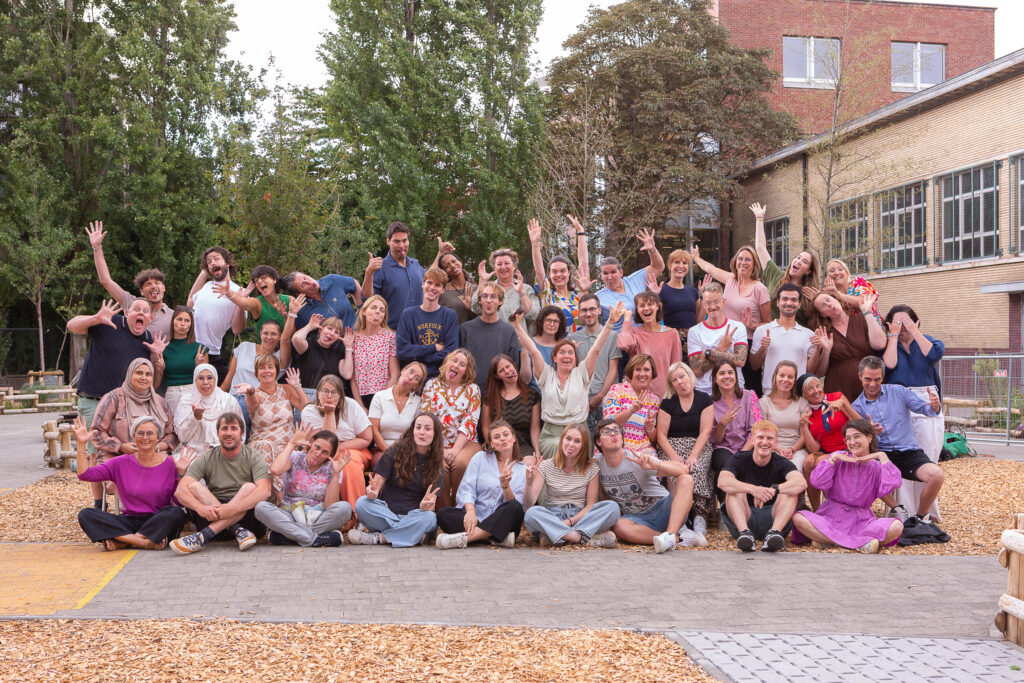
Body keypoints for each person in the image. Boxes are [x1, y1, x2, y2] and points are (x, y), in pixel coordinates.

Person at [513, 302, 625, 459]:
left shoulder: (582, 373)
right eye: (562, 352)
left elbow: (596, 349)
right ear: (554, 358)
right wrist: (517, 326)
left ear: (575, 357)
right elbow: (533, 350)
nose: (567, 355)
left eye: (571, 352)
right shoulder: (546, 374)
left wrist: (610, 323)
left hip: (578, 430)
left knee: (576, 451)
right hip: (551, 433)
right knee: (556, 449)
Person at [852, 356, 946, 527]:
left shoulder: (898, 391)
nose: (872, 384)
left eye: (877, 379)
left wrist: (934, 406)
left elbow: (925, 409)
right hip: (881, 454)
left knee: (937, 475)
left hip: (909, 452)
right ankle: (898, 510)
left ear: (883, 377)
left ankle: (920, 517)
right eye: (868, 379)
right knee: (868, 471)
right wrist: (869, 433)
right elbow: (855, 440)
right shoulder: (856, 407)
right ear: (859, 376)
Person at [67, 299, 168, 451]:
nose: (141, 313)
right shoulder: (109, 322)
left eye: (145, 311)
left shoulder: (148, 340)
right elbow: (71, 325)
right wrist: (96, 318)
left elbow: (152, 385)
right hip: (94, 401)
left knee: (123, 453)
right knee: (95, 453)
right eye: (136, 309)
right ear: (127, 313)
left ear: (150, 318)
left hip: (123, 407)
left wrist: (155, 357)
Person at [75, 416, 188, 550]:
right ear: (133, 437)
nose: (145, 437)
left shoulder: (170, 464)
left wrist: (181, 473)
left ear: (158, 437)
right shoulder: (120, 462)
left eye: (150, 433)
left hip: (157, 520)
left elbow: (179, 502)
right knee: (86, 514)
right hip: (128, 520)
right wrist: (81, 444)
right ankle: (143, 542)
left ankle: (124, 541)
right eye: (140, 433)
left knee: (176, 513)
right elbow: (85, 474)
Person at [792, 419, 904, 552]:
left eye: (856, 437)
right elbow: (817, 482)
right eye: (848, 438)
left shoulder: (877, 467)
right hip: (830, 517)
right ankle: (859, 544)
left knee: (897, 526)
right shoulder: (838, 458)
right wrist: (833, 459)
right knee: (798, 518)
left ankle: (827, 540)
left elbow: (893, 483)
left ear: (869, 437)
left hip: (862, 522)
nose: (852, 442)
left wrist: (882, 456)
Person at [593, 418, 703, 552]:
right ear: (598, 442)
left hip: (665, 509)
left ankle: (671, 533)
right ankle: (674, 539)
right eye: (606, 431)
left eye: (617, 430)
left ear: (622, 437)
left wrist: (656, 465)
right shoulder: (597, 464)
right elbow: (604, 494)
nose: (613, 434)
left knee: (686, 479)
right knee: (620, 526)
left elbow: (684, 470)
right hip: (639, 520)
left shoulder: (636, 459)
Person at [171, 413, 272, 554]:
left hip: (248, 521)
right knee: (193, 486)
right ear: (218, 433)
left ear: (242, 434)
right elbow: (180, 491)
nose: (228, 433)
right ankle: (236, 529)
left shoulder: (253, 456)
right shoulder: (207, 457)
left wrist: (232, 509)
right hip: (212, 516)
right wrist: (200, 508)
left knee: (249, 487)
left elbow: (265, 490)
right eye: (224, 428)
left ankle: (202, 537)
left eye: (233, 428)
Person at [882, 304, 946, 521]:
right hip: (898, 402)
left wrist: (914, 331)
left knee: (928, 457)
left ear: (917, 321)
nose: (903, 327)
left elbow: (934, 355)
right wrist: (893, 335)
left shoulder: (928, 341)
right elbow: (888, 366)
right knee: (903, 457)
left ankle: (925, 510)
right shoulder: (888, 346)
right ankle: (904, 511)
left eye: (907, 321)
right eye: (897, 322)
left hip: (927, 399)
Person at [90, 359, 178, 508]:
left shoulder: (160, 402)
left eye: (148, 374)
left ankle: (163, 514)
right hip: (117, 456)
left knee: (172, 477)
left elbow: (173, 435)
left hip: (153, 455)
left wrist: (157, 447)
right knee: (124, 482)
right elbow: (96, 432)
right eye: (139, 373)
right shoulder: (113, 398)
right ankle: (134, 514)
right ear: (130, 374)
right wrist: (121, 446)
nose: (144, 378)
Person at [349, 412, 444, 547]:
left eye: (427, 429)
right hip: (386, 514)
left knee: (429, 518)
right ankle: (410, 534)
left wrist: (425, 506)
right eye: (418, 428)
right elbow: (376, 485)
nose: (422, 432)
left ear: (435, 434)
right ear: (412, 431)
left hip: (413, 516)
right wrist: (372, 492)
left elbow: (431, 503)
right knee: (361, 503)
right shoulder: (394, 452)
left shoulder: (437, 465)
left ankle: (379, 538)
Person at [254, 425, 352, 547]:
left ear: (330, 455)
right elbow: (275, 470)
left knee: (345, 508)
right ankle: (315, 539)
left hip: (317, 517)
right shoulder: (295, 457)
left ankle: (292, 536)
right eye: (317, 447)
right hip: (290, 514)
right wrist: (292, 443)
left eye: (324, 452)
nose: (318, 454)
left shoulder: (333, 469)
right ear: (310, 444)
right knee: (261, 507)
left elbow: (329, 506)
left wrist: (336, 474)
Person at [523, 423, 619, 547]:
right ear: (562, 440)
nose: (571, 444)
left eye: (577, 441)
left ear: (583, 446)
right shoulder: (546, 465)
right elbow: (528, 503)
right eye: (568, 439)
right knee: (531, 513)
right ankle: (581, 538)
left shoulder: (591, 467)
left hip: (581, 517)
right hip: (554, 517)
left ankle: (556, 537)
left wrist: (569, 522)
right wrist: (529, 482)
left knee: (612, 507)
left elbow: (590, 505)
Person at [435, 420, 526, 549]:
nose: (502, 439)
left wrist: (505, 486)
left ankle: (465, 539)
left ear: (514, 438)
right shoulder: (480, 458)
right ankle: (494, 538)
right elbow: (467, 488)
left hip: (503, 521)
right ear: (491, 444)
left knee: (514, 506)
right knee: (443, 514)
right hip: (475, 518)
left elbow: (516, 506)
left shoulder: (522, 469)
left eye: (506, 434)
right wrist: (470, 511)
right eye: (496, 437)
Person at [691, 243, 770, 391]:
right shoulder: (730, 279)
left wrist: (752, 325)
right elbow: (711, 269)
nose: (743, 262)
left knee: (746, 386)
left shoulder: (760, 289)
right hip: (725, 340)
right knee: (723, 382)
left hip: (748, 343)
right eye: (740, 259)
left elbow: (768, 323)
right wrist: (696, 258)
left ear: (754, 264)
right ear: (735, 261)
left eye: (748, 259)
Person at [718, 420, 807, 552]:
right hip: (745, 516)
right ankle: (745, 534)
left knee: (789, 491)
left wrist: (774, 490)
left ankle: (773, 533)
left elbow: (801, 483)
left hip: (773, 518)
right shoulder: (739, 458)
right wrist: (753, 489)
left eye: (770, 438)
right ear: (752, 440)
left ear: (776, 443)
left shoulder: (781, 462)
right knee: (734, 489)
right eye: (760, 437)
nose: (765, 442)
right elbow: (722, 481)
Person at [235, 354, 309, 502]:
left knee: (286, 454)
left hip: (287, 446)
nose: (267, 371)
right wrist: (250, 391)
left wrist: (297, 386)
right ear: (257, 373)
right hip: (261, 446)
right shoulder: (255, 395)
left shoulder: (286, 389)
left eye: (270, 367)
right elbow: (252, 404)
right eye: (262, 368)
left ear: (276, 371)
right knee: (268, 446)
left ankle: (280, 501)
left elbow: (307, 410)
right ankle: (281, 500)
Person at [655, 362, 715, 538]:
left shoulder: (704, 399)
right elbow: (661, 435)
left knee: (697, 469)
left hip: (698, 445)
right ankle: (680, 518)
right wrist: (674, 456)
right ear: (671, 384)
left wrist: (693, 455)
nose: (680, 382)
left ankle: (698, 515)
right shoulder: (668, 403)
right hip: (672, 446)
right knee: (675, 473)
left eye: (682, 376)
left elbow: (706, 431)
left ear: (690, 376)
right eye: (674, 380)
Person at [300, 374, 374, 513]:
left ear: (340, 395)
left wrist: (341, 447)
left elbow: (366, 438)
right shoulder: (309, 410)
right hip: (321, 449)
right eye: (325, 391)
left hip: (352, 446)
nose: (329, 396)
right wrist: (329, 413)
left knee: (348, 464)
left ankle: (355, 513)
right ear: (318, 393)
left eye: (334, 392)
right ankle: (311, 510)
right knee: (309, 460)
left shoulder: (351, 405)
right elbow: (326, 441)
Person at [86, 220, 174, 337]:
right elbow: (106, 281)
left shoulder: (174, 316)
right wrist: (97, 247)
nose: (153, 286)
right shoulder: (131, 303)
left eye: (157, 283)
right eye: (148, 284)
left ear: (164, 288)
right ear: (141, 291)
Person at [421, 349, 482, 507]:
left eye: (462, 364)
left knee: (460, 464)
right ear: (447, 363)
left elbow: (470, 422)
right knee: (439, 466)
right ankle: (444, 512)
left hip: (466, 442)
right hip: (437, 442)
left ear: (466, 371)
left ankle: (460, 508)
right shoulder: (431, 385)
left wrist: (455, 450)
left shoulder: (473, 389)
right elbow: (428, 420)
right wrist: (440, 448)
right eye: (454, 361)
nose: (456, 365)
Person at [797, 373, 861, 510]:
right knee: (808, 462)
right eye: (810, 389)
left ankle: (833, 509)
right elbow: (814, 449)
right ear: (803, 394)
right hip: (825, 451)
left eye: (818, 386)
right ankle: (817, 510)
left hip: (846, 449)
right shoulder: (807, 411)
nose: (816, 391)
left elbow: (860, 424)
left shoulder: (837, 397)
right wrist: (804, 427)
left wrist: (844, 405)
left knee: (822, 462)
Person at [750, 203, 821, 325]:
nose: (798, 261)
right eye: (798, 257)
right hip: (773, 333)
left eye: (804, 261)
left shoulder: (810, 293)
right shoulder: (776, 276)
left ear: (809, 271)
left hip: (799, 335)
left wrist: (818, 300)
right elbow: (760, 248)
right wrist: (759, 218)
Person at [812, 290, 887, 401]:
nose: (829, 304)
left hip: (869, 382)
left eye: (828, 299)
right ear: (822, 314)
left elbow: (880, 344)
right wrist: (826, 351)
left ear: (836, 299)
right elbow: (819, 373)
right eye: (823, 305)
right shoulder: (824, 333)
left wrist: (868, 313)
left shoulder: (861, 318)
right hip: (839, 388)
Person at [187, 246, 247, 381]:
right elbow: (189, 304)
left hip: (210, 353)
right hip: (189, 349)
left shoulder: (239, 292)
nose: (212, 263)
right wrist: (204, 272)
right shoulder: (207, 286)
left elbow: (237, 329)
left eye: (216, 259)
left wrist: (240, 302)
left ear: (228, 263)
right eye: (209, 262)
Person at [749, 284, 821, 396]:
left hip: (798, 395)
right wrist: (763, 349)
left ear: (799, 304)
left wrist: (818, 348)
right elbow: (754, 366)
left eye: (794, 300)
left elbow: (809, 370)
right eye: (785, 299)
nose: (789, 303)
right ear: (778, 302)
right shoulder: (762, 330)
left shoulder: (809, 335)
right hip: (770, 395)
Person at [527, 215, 592, 332]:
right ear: (549, 275)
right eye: (554, 272)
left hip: (581, 341)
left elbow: (583, 264)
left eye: (563, 271)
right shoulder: (547, 294)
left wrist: (581, 233)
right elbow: (539, 272)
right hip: (556, 342)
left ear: (569, 272)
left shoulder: (577, 292)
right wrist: (535, 244)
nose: (559, 275)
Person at [220, 317, 284, 438]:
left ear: (280, 337)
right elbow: (230, 376)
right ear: (260, 334)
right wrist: (218, 396)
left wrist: (289, 316)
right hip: (234, 398)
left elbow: (288, 338)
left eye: (273, 334)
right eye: (266, 333)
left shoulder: (279, 357)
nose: (269, 337)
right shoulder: (244, 347)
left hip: (259, 401)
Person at [709, 360, 762, 501]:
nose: (727, 376)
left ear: (736, 376)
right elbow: (715, 439)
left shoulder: (749, 396)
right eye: (722, 373)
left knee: (753, 462)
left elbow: (756, 429)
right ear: (715, 379)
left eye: (730, 372)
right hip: (723, 449)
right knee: (726, 465)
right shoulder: (709, 402)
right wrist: (722, 423)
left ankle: (752, 505)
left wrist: (743, 453)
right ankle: (727, 506)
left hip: (748, 445)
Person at [459, 280, 525, 394]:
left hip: (499, 392)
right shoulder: (465, 329)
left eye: (493, 296)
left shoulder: (509, 332)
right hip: (470, 392)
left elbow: (514, 366)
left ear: (501, 301)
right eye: (485, 296)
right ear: (479, 300)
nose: (488, 300)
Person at [569, 293, 622, 429]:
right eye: (584, 310)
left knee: (608, 435)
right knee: (585, 438)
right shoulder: (573, 338)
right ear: (579, 313)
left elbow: (613, 370)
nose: (588, 314)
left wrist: (600, 396)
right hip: (582, 399)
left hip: (607, 397)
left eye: (592, 309)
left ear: (599, 310)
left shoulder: (612, 335)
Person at [396, 267, 460, 378]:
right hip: (412, 378)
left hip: (439, 378)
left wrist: (417, 355)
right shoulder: (408, 315)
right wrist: (434, 347)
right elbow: (402, 351)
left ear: (443, 290)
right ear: (423, 284)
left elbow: (451, 353)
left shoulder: (450, 316)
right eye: (429, 283)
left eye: (437, 285)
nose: (432, 288)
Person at [595, 229, 665, 331]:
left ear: (621, 272)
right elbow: (584, 318)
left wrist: (652, 250)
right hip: (617, 339)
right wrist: (583, 291)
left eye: (613, 272)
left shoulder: (634, 280)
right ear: (601, 276)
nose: (609, 277)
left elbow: (657, 267)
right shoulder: (598, 297)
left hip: (643, 336)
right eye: (605, 273)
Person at [616, 291, 682, 398]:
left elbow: (676, 366)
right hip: (637, 394)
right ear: (637, 310)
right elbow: (624, 344)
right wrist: (627, 318)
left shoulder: (672, 333)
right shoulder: (634, 332)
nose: (646, 308)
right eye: (642, 306)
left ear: (658, 306)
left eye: (650, 304)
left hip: (664, 394)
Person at [362, 221, 426, 330]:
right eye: (396, 241)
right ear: (388, 241)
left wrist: (440, 253)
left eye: (404, 240)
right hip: (392, 332)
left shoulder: (415, 264)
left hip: (419, 330)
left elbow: (432, 278)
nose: (401, 245)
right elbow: (367, 299)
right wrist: (368, 273)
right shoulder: (380, 267)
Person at [686, 282, 748, 394]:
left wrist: (708, 354)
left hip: (734, 390)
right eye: (708, 303)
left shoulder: (738, 327)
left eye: (716, 301)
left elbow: (740, 361)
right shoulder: (694, 332)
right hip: (705, 392)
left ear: (723, 302)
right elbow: (696, 371)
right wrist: (720, 349)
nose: (713, 306)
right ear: (703, 305)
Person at [282, 313, 353, 402]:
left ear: (338, 337)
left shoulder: (338, 353)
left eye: (336, 332)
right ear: (320, 329)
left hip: (327, 398)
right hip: (303, 394)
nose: (332, 333)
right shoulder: (308, 346)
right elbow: (296, 338)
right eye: (329, 328)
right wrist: (310, 326)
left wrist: (348, 347)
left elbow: (347, 374)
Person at [174, 364, 243, 454]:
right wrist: (195, 418)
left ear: (215, 379)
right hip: (194, 453)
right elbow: (183, 438)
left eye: (210, 378)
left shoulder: (228, 401)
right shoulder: (187, 401)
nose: (205, 382)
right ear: (195, 380)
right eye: (201, 378)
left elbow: (240, 432)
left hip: (224, 452)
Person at [482, 354, 541, 460]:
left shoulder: (532, 395)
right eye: (502, 370)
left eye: (508, 366)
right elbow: (486, 427)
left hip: (523, 446)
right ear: (497, 376)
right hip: (498, 446)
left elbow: (535, 428)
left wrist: (537, 451)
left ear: (514, 365)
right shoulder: (490, 397)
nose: (507, 371)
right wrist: (493, 446)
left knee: (527, 464)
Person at [602, 354, 661, 460]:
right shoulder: (617, 390)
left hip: (644, 452)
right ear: (631, 372)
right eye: (638, 369)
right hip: (618, 448)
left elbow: (654, 441)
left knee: (655, 466)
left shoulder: (655, 400)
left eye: (646, 369)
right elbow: (609, 424)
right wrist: (631, 410)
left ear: (652, 373)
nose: (642, 374)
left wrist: (650, 428)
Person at [349, 294, 398, 409]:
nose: (377, 312)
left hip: (383, 398)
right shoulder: (354, 338)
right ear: (364, 311)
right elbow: (352, 377)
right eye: (373, 307)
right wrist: (360, 405)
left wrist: (383, 402)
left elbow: (395, 374)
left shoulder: (390, 337)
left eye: (381, 310)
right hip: (360, 399)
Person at [758, 361, 810, 470]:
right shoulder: (764, 402)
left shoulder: (802, 403)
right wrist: (777, 449)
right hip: (770, 447)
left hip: (796, 450)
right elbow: (762, 432)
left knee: (794, 469)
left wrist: (792, 450)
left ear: (794, 381)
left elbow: (804, 436)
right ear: (775, 377)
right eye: (782, 375)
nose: (785, 379)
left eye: (790, 377)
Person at [214, 265, 291, 336]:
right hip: (265, 347)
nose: (259, 281)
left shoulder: (289, 300)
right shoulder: (257, 303)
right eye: (256, 280)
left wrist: (286, 317)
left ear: (274, 279)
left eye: (263, 277)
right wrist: (230, 293)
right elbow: (244, 303)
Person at [470, 247, 540, 325]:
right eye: (499, 264)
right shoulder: (488, 289)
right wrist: (482, 282)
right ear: (494, 268)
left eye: (507, 263)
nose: (503, 267)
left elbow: (534, 315)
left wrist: (521, 292)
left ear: (514, 265)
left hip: (519, 333)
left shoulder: (526, 289)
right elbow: (475, 309)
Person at [647, 249, 702, 347]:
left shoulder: (693, 292)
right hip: (671, 339)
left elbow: (698, 321)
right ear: (669, 265)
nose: (681, 266)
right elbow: (655, 321)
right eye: (677, 262)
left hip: (693, 341)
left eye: (684, 263)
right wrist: (654, 296)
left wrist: (705, 298)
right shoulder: (661, 291)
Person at [160, 306, 207, 416]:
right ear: (173, 322)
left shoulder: (199, 349)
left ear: (191, 324)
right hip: (172, 394)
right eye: (179, 319)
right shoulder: (163, 348)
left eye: (187, 320)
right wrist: (159, 369)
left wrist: (199, 367)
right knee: (173, 425)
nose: (183, 324)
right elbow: (156, 383)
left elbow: (206, 380)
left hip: (193, 393)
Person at [369, 363, 426, 452]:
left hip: (406, 450)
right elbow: (374, 429)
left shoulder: (418, 402)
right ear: (403, 370)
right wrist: (388, 453)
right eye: (411, 372)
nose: (411, 377)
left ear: (416, 386)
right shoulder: (380, 396)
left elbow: (416, 434)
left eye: (416, 378)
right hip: (382, 449)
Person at [807, 258, 882, 326]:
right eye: (832, 271)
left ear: (847, 273)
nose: (836, 273)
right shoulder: (828, 296)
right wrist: (817, 301)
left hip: (874, 328)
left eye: (840, 269)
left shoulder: (858, 282)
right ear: (828, 277)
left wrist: (838, 294)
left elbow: (865, 303)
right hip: (853, 334)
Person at [282, 269, 361, 330]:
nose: (308, 282)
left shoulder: (332, 280)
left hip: (360, 336)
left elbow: (353, 283)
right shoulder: (302, 310)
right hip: (339, 346)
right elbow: (292, 336)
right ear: (299, 294)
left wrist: (360, 307)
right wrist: (287, 317)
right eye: (302, 285)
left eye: (304, 277)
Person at [436, 248, 477, 324]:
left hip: (473, 331)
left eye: (454, 261)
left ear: (460, 262)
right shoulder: (442, 292)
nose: (452, 265)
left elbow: (482, 320)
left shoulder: (476, 289)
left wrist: (470, 310)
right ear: (445, 272)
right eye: (447, 266)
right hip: (451, 331)